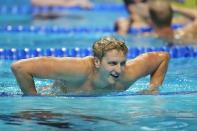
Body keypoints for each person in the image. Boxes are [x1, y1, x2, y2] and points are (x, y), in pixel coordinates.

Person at [11, 36, 170, 96]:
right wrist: (34, 102)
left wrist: (153, 88)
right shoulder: (76, 69)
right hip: (58, 96)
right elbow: (20, 67)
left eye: (122, 63)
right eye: (112, 63)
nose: (119, 69)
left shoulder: (129, 73)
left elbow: (163, 57)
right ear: (97, 62)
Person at [116, 0, 197, 44]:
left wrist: (123, 31)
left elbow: (119, 48)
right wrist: (173, 8)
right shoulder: (185, 32)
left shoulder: (145, 37)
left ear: (151, 21)